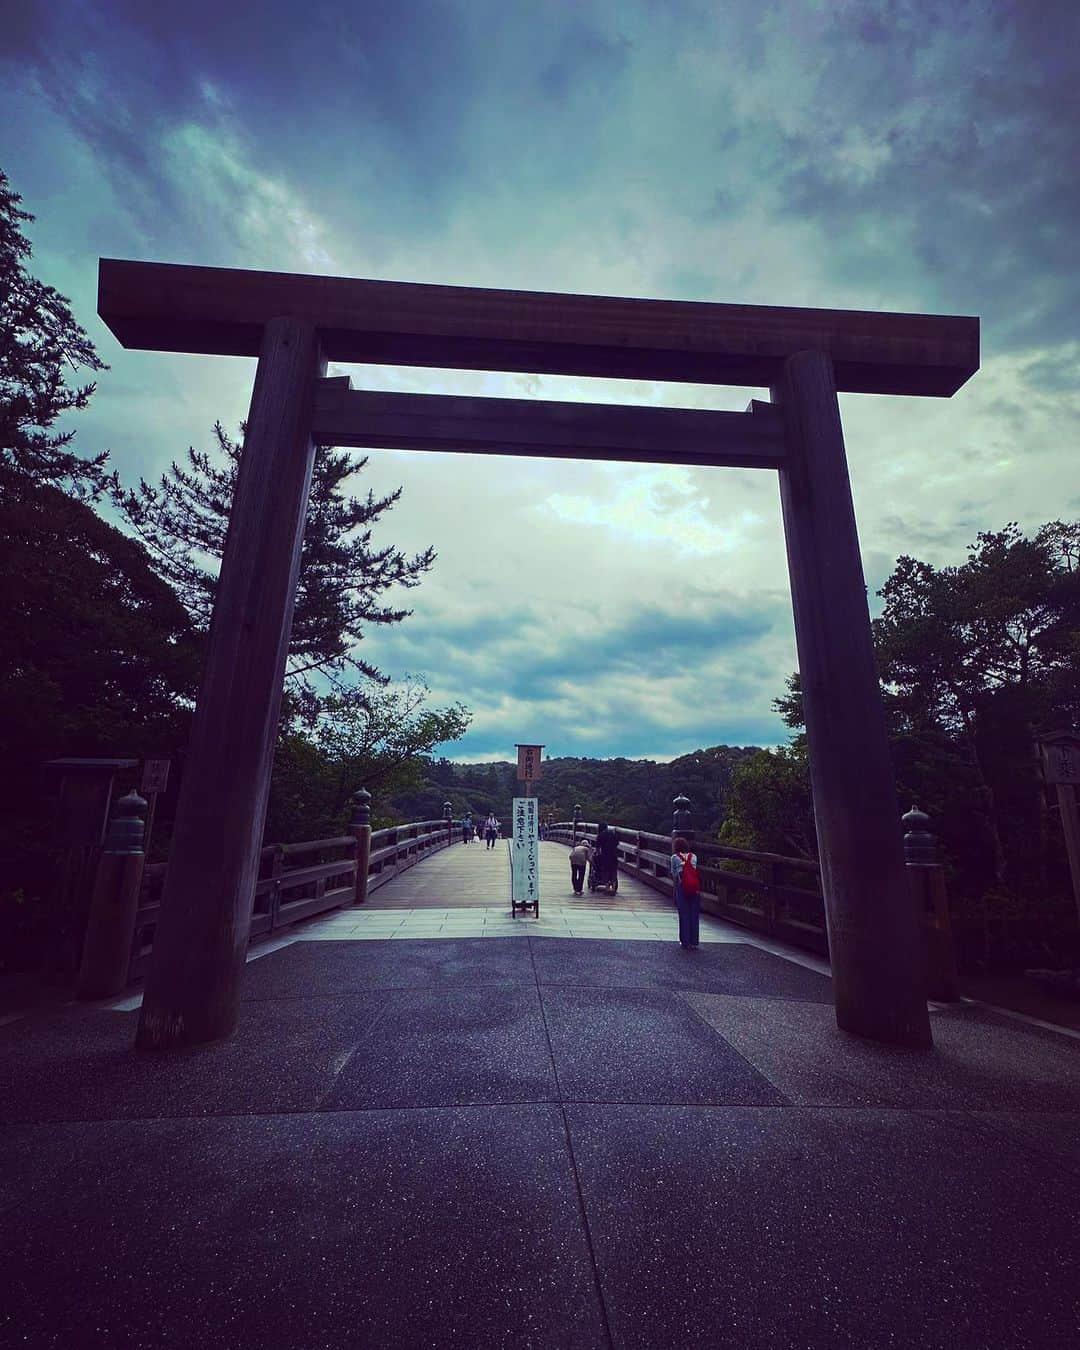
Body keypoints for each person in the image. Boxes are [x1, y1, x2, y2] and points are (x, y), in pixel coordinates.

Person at [671, 835, 700, 950]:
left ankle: (685, 941)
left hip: (682, 887)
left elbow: (674, 873)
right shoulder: (694, 857)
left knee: (684, 914)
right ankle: (694, 940)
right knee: (694, 914)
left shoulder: (674, 857)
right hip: (694, 887)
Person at [594, 822, 618, 889]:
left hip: (605, 855)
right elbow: (616, 844)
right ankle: (613, 887)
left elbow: (598, 848)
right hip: (614, 855)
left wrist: (597, 854)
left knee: (606, 870)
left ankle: (607, 887)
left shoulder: (600, 835)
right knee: (613, 870)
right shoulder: (613, 834)